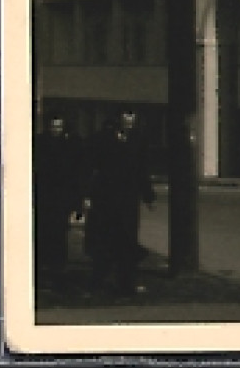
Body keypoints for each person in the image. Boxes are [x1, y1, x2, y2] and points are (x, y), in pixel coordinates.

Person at [84, 110, 155, 295]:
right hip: (105, 197)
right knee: (104, 239)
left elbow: (142, 170)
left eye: (132, 119)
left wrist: (148, 196)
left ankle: (127, 282)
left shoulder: (139, 140)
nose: (129, 123)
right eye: (125, 118)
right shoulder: (102, 139)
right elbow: (93, 167)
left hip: (128, 199)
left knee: (128, 240)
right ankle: (97, 280)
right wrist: (87, 196)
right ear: (118, 120)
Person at [33, 115, 85, 286]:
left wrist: (76, 202)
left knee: (59, 232)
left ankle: (58, 267)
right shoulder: (40, 143)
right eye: (53, 126)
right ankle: (42, 266)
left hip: (61, 197)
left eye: (58, 127)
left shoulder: (68, 146)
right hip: (44, 196)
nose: (55, 130)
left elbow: (74, 174)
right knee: (42, 231)